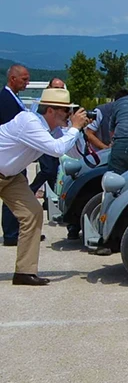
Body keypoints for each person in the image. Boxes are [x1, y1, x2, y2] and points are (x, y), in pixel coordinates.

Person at [0, 87, 89, 284]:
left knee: (33, 213)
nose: (70, 114)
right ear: (50, 110)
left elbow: (73, 153)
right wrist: (74, 127)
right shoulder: (29, 121)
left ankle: (24, 272)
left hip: (11, 177)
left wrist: (79, 130)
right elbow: (56, 150)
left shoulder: (53, 129)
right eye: (66, 111)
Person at [1, 63, 30, 246]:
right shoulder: (5, 99)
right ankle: (12, 232)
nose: (27, 83)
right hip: (8, 157)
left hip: (14, 157)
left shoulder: (13, 98)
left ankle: (17, 230)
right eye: (24, 79)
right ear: (13, 79)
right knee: (13, 197)